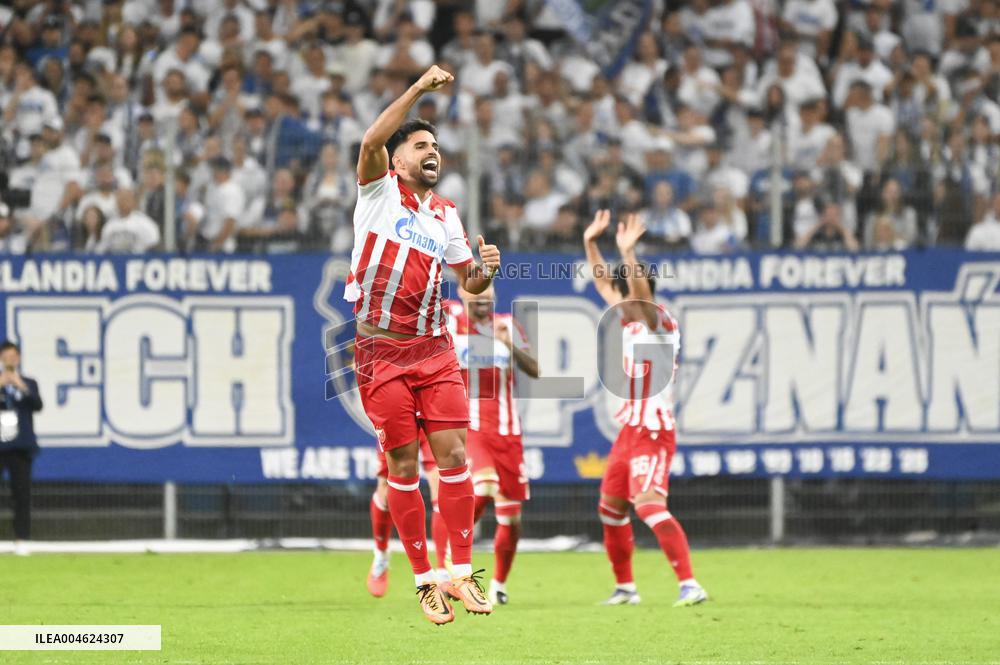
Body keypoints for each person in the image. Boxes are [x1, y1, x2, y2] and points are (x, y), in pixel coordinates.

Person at [347, 64, 500, 625]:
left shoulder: (447, 215)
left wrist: (484, 272)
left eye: (436, 144)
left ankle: (459, 569)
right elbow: (369, 139)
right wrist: (416, 90)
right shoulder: (378, 193)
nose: (432, 151)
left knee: (455, 455)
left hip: (433, 349)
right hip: (380, 352)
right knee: (403, 466)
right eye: (420, 144)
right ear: (398, 159)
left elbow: (468, 282)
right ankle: (423, 579)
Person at [582, 210, 708, 608]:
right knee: (610, 508)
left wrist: (628, 252)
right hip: (629, 432)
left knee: (650, 506)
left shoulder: (660, 322)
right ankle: (626, 589)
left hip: (654, 430)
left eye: (628, 295)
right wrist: (590, 243)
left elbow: (638, 295)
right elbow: (604, 283)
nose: (620, 301)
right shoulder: (629, 321)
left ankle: (690, 584)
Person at [447, 284, 540, 605]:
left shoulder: (507, 325)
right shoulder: (450, 319)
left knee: (511, 518)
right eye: (476, 296)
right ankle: (452, 558)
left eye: (488, 297)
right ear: (462, 293)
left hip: (508, 433)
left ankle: (498, 585)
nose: (482, 302)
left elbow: (535, 370)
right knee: (484, 485)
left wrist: (509, 345)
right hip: (469, 427)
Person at [367, 428, 439, 598]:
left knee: (441, 488)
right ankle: (381, 554)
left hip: (430, 415)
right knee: (386, 491)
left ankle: (443, 572)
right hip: (397, 415)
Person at [0, 340, 43, 557]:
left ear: (18, 359)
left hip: (20, 446)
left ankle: (22, 540)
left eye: (13, 357)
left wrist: (20, 385)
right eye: (6, 357)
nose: (10, 360)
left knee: (21, 495)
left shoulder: (29, 382)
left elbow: (37, 405)